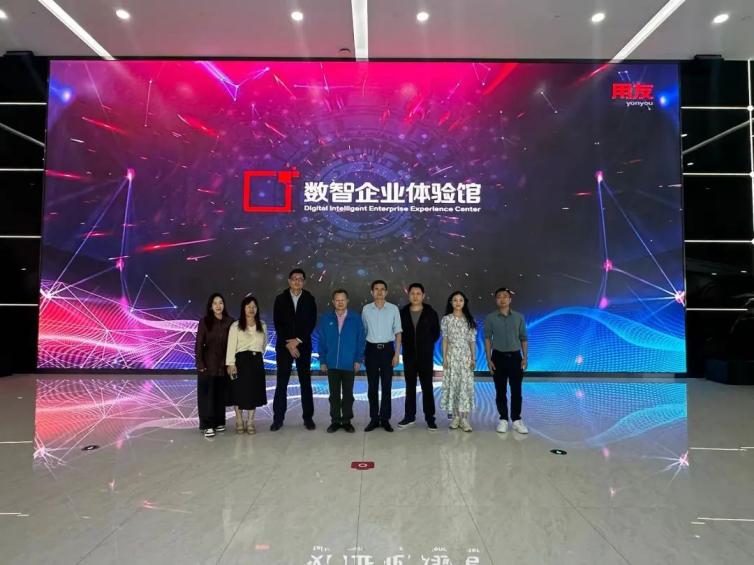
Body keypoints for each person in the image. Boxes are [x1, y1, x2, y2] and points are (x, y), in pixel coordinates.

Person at [271, 268, 318, 431]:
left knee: (305, 382)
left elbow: (311, 322)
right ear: (289, 281)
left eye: (300, 279)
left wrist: (297, 341)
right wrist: (289, 344)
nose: (297, 281)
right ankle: (278, 419)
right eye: (294, 278)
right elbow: (278, 323)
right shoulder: (280, 299)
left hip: (303, 346)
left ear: (304, 282)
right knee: (281, 383)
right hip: (284, 347)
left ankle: (308, 418)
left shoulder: (309, 299)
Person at [316, 289, 366, 433]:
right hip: (332, 364)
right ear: (333, 302)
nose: (340, 302)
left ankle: (347, 421)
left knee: (348, 395)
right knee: (334, 395)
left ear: (347, 301)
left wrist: (358, 360)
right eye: (337, 300)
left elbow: (361, 341)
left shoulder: (355, 318)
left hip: (349, 363)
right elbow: (322, 341)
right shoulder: (326, 318)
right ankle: (335, 421)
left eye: (342, 300)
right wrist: (323, 360)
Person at [484, 287, 529, 434]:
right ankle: (503, 419)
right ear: (496, 300)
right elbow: (487, 339)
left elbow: (523, 338)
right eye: (499, 297)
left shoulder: (519, 317)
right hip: (498, 357)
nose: (502, 299)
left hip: (515, 358)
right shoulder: (490, 318)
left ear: (510, 299)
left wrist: (525, 357)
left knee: (517, 390)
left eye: (505, 296)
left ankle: (516, 420)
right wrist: (489, 359)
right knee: (500, 391)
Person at [398, 283, 441, 431]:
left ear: (423, 295)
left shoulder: (430, 313)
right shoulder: (403, 313)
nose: (415, 296)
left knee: (427, 387)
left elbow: (436, 333)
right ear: (408, 295)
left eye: (418, 293)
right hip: (409, 355)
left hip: (425, 356)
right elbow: (399, 333)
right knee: (409, 387)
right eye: (412, 293)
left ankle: (430, 418)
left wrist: (426, 345)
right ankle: (409, 416)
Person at [362, 280, 402, 432]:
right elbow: (363, 332)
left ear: (386, 292)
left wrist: (397, 354)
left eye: (382, 289)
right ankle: (374, 418)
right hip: (371, 350)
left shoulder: (393, 309)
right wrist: (362, 353)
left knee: (386, 386)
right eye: (376, 289)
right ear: (371, 292)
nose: (379, 292)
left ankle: (385, 419)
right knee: (372, 387)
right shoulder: (366, 309)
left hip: (387, 350)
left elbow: (398, 333)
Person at [226, 295, 269, 434]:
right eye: (248, 306)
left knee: (253, 392)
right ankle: (239, 421)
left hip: (256, 362)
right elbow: (231, 345)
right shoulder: (236, 325)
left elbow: (264, 344)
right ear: (243, 308)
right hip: (240, 362)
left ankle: (250, 422)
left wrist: (256, 353)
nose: (251, 309)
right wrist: (230, 363)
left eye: (254, 306)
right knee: (238, 392)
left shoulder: (262, 325)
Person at [195, 293, 234, 438]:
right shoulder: (205, 321)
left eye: (221, 303)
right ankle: (207, 425)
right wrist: (199, 363)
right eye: (215, 303)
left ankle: (219, 422)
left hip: (223, 365)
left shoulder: (230, 322)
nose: (218, 306)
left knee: (219, 395)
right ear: (211, 306)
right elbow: (199, 343)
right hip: (208, 364)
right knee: (207, 396)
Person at [440, 291, 477, 432]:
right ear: (451, 302)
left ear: (464, 302)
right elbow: (445, 340)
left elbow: (472, 341)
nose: (458, 302)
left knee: (465, 386)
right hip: (452, 356)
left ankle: (464, 419)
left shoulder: (469, 320)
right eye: (455, 300)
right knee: (454, 386)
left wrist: (473, 358)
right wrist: (444, 358)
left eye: (461, 300)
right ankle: (455, 417)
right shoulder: (446, 319)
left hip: (465, 357)